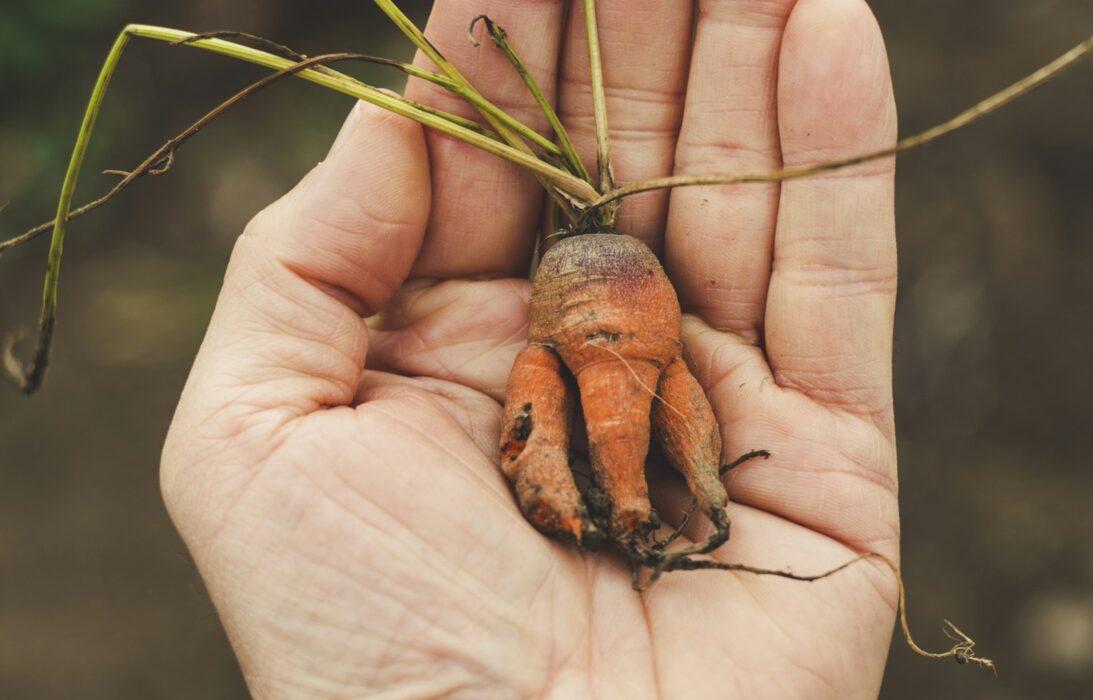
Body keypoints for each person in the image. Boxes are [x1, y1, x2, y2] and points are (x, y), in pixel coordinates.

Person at [161, 0, 900, 696]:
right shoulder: (546, 350)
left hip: (605, 276)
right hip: (584, 290)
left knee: (640, 398)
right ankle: (631, 511)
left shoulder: (601, 329)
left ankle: (664, 504)